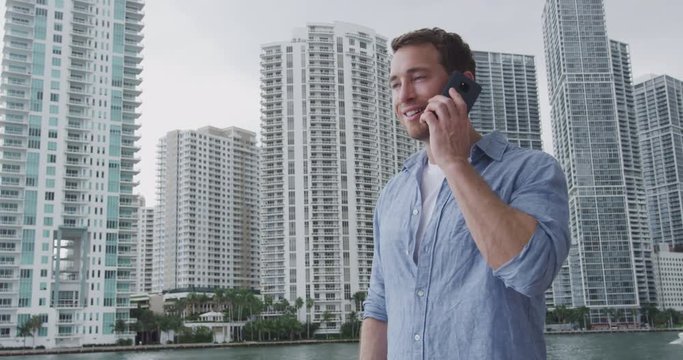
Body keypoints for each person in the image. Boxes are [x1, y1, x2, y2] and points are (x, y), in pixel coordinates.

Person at [359, 28, 570, 360]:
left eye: (418, 78)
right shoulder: (392, 194)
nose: (404, 96)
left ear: (461, 83)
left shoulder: (531, 170)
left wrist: (454, 162)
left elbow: (531, 272)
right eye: (396, 84)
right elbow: (379, 305)